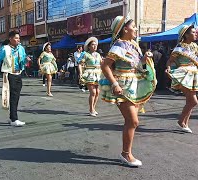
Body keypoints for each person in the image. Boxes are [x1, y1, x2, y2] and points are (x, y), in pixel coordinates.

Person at [100, 15, 156, 167]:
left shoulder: (133, 45)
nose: (136, 29)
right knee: (133, 121)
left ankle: (126, 152)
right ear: (125, 29)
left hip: (135, 84)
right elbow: (105, 66)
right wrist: (114, 84)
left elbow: (136, 66)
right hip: (123, 85)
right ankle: (126, 154)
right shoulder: (119, 44)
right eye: (134, 26)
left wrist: (144, 58)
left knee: (131, 121)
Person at [0, 30, 28, 127]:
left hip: (18, 74)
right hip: (9, 74)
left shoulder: (21, 49)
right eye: (16, 38)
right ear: (10, 39)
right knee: (13, 96)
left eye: (19, 38)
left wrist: (25, 60)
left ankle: (12, 117)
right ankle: (14, 119)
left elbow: (22, 61)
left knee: (16, 96)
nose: (18, 40)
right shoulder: (5, 49)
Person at [166, 24, 198, 133]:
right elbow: (170, 61)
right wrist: (169, 68)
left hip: (194, 75)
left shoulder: (195, 46)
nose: (195, 34)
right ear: (186, 35)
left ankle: (185, 124)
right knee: (193, 101)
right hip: (184, 75)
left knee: (189, 101)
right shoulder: (179, 47)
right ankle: (181, 121)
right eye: (193, 32)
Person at [79, 37, 102, 116]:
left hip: (98, 74)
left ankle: (93, 108)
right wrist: (81, 73)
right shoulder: (86, 54)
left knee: (98, 92)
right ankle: (91, 109)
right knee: (93, 92)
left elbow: (102, 64)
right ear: (89, 46)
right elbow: (80, 64)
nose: (95, 46)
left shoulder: (98, 55)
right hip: (89, 73)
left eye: (95, 45)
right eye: (92, 45)